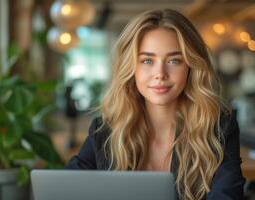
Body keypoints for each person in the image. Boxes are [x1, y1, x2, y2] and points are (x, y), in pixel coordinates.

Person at [65, 9, 245, 200]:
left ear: (191, 67)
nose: (160, 73)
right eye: (147, 60)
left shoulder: (219, 129)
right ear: (131, 67)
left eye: (174, 60)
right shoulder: (104, 132)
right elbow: (64, 190)